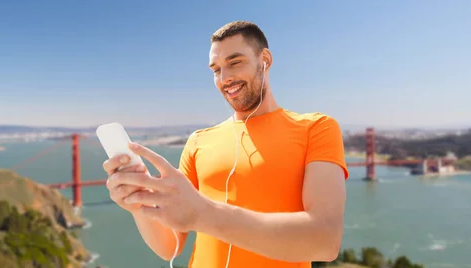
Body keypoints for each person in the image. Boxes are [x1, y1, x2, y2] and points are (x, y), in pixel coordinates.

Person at [103, 21, 348, 268]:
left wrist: (204, 214)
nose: (225, 78)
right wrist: (139, 204)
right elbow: (170, 247)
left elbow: (324, 240)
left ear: (265, 59)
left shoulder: (316, 128)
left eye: (235, 62)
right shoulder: (198, 142)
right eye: (216, 70)